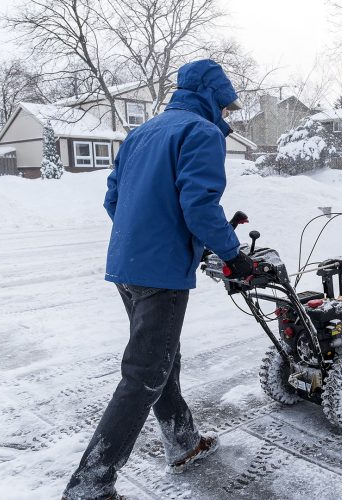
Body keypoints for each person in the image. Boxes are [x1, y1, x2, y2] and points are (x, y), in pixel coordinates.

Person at [62, 59, 255, 500]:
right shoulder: (201, 133)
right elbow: (199, 207)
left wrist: (147, 233)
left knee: (160, 359)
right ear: (211, 98)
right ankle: (89, 486)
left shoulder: (143, 132)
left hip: (127, 265)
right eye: (225, 108)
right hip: (160, 273)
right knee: (144, 374)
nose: (225, 116)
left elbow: (114, 197)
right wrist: (232, 255)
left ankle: (183, 442)